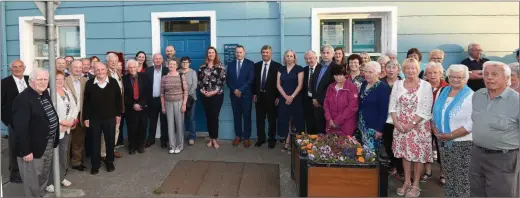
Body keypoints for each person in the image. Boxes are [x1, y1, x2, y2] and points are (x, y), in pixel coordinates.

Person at [470, 61, 519, 197]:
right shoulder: (478, 95)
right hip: (477, 155)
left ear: (507, 78)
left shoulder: (516, 101)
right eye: (486, 74)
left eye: (495, 74)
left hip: (504, 159)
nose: (489, 78)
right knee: (476, 193)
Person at [390, 58, 434, 197]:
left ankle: (416, 185)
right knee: (405, 154)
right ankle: (407, 182)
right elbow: (392, 105)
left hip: (419, 126)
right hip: (400, 125)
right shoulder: (397, 84)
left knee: (418, 156)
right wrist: (396, 122)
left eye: (413, 68)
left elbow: (426, 108)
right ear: (403, 70)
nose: (410, 71)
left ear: (417, 69)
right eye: (407, 68)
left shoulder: (426, 85)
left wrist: (412, 124)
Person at [12, 68, 59, 197]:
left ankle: (41, 194)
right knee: (32, 180)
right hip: (32, 148)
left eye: (45, 79)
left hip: (47, 143)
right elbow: (21, 129)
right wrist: (26, 151)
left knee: (43, 175)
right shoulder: (23, 99)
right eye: (39, 79)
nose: (43, 82)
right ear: (31, 81)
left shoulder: (44, 93)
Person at [432, 64, 474, 197]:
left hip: (463, 143)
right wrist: (434, 128)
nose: (455, 79)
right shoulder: (442, 91)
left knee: (462, 178)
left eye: (460, 77)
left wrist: (451, 135)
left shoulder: (471, 96)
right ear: (448, 77)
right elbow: (434, 113)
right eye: (452, 76)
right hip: (443, 142)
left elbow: (472, 122)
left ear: (466, 79)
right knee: (449, 175)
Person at [83, 62, 122, 175]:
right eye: (98, 70)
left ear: (106, 70)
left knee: (109, 140)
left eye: (102, 69)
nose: (100, 72)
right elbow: (87, 102)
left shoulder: (113, 82)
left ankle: (109, 161)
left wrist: (118, 114)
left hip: (110, 117)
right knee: (95, 141)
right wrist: (86, 117)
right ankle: (95, 164)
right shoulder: (90, 83)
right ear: (94, 71)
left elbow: (118, 100)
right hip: (95, 118)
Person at [46, 71, 79, 192]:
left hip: (66, 129)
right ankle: (49, 182)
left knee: (63, 154)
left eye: (61, 79)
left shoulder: (67, 91)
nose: (59, 81)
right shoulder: (48, 93)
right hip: (54, 129)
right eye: (56, 79)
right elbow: (48, 112)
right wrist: (61, 122)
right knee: (51, 156)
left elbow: (75, 108)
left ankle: (61, 177)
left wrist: (70, 121)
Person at [1, 60, 29, 183]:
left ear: (24, 68)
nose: (17, 69)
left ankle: (27, 170)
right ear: (10, 69)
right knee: (14, 148)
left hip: (30, 121)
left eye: (20, 67)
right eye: (15, 67)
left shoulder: (29, 80)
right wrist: (7, 121)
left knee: (27, 146)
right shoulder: (4, 83)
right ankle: (15, 174)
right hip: (14, 122)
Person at [422, 61, 449, 184]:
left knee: (441, 148)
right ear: (426, 74)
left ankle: (443, 173)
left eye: (435, 72)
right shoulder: (422, 86)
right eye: (430, 73)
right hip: (424, 121)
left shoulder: (447, 87)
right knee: (425, 146)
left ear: (441, 73)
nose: (432, 75)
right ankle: (428, 171)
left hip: (441, 123)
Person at [358, 61, 391, 153]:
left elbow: (384, 110)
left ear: (377, 73)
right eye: (366, 72)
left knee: (371, 154)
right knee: (362, 152)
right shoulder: (364, 84)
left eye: (370, 72)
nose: (367, 74)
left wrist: (379, 129)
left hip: (373, 127)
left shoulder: (383, 88)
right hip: (362, 124)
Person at [253, 45, 281, 148]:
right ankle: (261, 138)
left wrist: (278, 96)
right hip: (259, 96)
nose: (265, 54)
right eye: (263, 52)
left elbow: (280, 83)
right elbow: (254, 81)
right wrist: (254, 93)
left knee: (272, 120)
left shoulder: (277, 66)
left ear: (271, 53)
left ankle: (271, 139)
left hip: (272, 98)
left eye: (267, 52)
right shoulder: (256, 66)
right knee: (259, 119)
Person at [198, 46, 226, 149]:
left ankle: (215, 139)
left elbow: (222, 82)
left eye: (212, 52)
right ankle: (211, 138)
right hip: (204, 96)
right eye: (209, 53)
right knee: (208, 117)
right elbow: (199, 82)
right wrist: (203, 91)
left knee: (214, 117)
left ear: (215, 54)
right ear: (207, 54)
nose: (211, 54)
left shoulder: (220, 66)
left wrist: (213, 92)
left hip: (217, 96)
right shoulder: (202, 67)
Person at [227, 45, 255, 148]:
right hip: (234, 95)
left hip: (246, 95)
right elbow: (228, 80)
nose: (238, 54)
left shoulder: (250, 64)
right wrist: (234, 90)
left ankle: (247, 137)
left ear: (244, 52)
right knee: (236, 116)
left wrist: (241, 90)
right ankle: (238, 136)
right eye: (237, 52)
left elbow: (250, 79)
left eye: (240, 52)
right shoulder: (230, 64)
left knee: (247, 116)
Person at [277, 50, 304, 153]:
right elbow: (278, 84)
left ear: (294, 57)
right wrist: (285, 96)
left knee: (295, 121)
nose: (289, 58)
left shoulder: (299, 69)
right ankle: (287, 141)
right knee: (286, 121)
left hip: (296, 99)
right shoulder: (281, 69)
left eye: (291, 56)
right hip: (284, 99)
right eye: (287, 56)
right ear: (285, 58)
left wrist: (291, 97)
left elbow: (300, 85)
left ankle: (294, 144)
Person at [381, 60, 404, 180]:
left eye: (393, 67)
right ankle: (394, 165)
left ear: (398, 70)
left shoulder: (403, 84)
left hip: (399, 119)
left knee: (399, 145)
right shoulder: (380, 83)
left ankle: (401, 170)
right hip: (385, 119)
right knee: (388, 144)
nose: (390, 70)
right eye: (388, 67)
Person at [64, 60, 89, 172]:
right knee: (66, 142)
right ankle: (63, 165)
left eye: (80, 67)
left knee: (78, 141)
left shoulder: (85, 80)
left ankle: (76, 162)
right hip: (67, 117)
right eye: (76, 67)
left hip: (81, 115)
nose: (78, 69)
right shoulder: (64, 81)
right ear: (70, 68)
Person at [123, 59, 150, 154]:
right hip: (131, 108)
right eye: (130, 67)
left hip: (143, 107)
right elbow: (124, 95)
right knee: (132, 128)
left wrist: (141, 104)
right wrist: (133, 104)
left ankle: (140, 146)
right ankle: (132, 146)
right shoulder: (124, 79)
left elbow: (148, 92)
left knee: (142, 127)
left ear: (137, 67)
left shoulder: (144, 76)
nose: (132, 69)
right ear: (127, 68)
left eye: (134, 67)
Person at [161, 59, 188, 154]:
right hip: (168, 103)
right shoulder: (164, 78)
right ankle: (172, 146)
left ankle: (179, 145)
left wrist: (184, 104)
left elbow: (185, 91)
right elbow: (162, 94)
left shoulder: (181, 76)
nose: (171, 65)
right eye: (170, 64)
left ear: (176, 66)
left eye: (173, 64)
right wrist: (163, 106)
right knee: (170, 125)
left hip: (179, 102)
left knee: (179, 124)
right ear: (167, 65)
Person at [323, 65, 359, 137]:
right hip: (331, 123)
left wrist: (337, 121)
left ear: (345, 75)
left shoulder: (352, 87)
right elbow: (326, 104)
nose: (338, 77)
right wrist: (329, 119)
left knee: (345, 147)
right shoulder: (331, 87)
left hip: (346, 124)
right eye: (335, 75)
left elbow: (352, 107)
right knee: (331, 145)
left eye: (340, 75)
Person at [103, 53, 124, 159]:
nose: (114, 63)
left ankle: (111, 150)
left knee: (116, 130)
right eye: (112, 61)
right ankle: (104, 154)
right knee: (106, 132)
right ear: (107, 62)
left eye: (116, 61)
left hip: (117, 108)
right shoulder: (104, 73)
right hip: (107, 109)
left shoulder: (117, 73)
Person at [145, 53, 169, 148]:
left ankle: (164, 140)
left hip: (164, 100)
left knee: (164, 122)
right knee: (152, 121)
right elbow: (145, 86)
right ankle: (151, 139)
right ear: (153, 60)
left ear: (162, 60)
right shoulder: (148, 70)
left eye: (159, 59)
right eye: (156, 59)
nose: (158, 60)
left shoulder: (167, 70)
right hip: (152, 100)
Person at [311, 44, 335, 134]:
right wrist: (314, 98)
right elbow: (313, 83)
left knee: (327, 128)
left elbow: (331, 86)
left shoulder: (335, 67)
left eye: (328, 53)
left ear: (332, 54)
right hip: (316, 102)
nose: (325, 55)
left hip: (326, 103)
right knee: (318, 127)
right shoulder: (318, 66)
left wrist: (319, 100)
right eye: (323, 53)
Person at [179, 56, 198, 145]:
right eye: (183, 62)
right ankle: (180, 136)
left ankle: (192, 137)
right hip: (179, 99)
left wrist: (186, 95)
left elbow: (194, 86)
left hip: (191, 98)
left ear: (189, 63)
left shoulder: (193, 72)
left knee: (191, 118)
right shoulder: (177, 72)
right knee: (180, 119)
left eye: (186, 62)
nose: (185, 64)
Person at [303, 51, 318, 134]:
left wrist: (317, 99)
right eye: (306, 59)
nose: (308, 61)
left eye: (311, 58)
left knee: (318, 124)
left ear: (316, 58)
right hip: (307, 101)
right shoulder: (304, 70)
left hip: (318, 101)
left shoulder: (321, 69)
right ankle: (309, 144)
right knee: (309, 124)